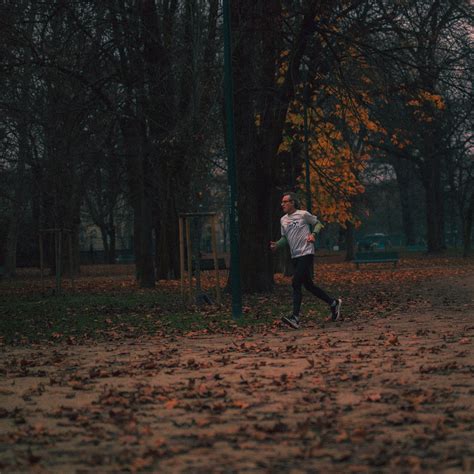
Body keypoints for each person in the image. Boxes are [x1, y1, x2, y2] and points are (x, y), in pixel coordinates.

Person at [270, 192, 342, 329]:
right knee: (309, 285)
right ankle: (333, 303)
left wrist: (313, 235)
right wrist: (277, 245)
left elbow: (318, 224)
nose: (283, 204)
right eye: (282, 202)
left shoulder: (303, 214)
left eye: (285, 202)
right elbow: (285, 238)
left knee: (296, 282)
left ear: (293, 202)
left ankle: (295, 318)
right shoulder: (283, 220)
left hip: (306, 252)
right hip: (295, 256)